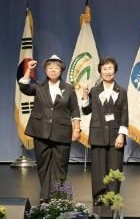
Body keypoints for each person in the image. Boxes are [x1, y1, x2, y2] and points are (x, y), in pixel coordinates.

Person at [18, 55, 81, 202]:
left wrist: (77, 129)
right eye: (50, 68)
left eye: (56, 68)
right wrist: (28, 70)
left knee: (61, 166)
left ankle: (59, 197)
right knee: (43, 165)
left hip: (62, 132)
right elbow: (24, 87)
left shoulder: (69, 88)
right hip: (41, 132)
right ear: (46, 71)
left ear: (61, 70)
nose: (53, 70)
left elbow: (75, 109)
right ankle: (45, 196)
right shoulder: (38, 86)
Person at [81, 57, 128, 204]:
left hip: (115, 134)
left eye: (110, 68)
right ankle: (99, 196)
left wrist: (121, 135)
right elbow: (86, 110)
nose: (107, 72)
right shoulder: (94, 91)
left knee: (115, 166)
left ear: (115, 70)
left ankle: (112, 195)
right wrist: (85, 96)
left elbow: (125, 114)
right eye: (104, 69)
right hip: (98, 133)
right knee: (98, 167)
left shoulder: (122, 91)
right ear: (100, 71)